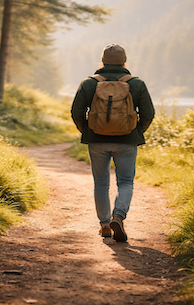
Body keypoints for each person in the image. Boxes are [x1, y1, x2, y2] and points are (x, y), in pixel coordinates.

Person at [71, 43, 154, 242]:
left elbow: (76, 112)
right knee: (125, 181)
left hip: (97, 140)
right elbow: (149, 114)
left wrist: (88, 131)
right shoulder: (136, 84)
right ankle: (119, 216)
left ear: (103, 61)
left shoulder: (90, 83)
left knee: (101, 183)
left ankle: (105, 225)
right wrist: (135, 132)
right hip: (127, 141)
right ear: (124, 61)